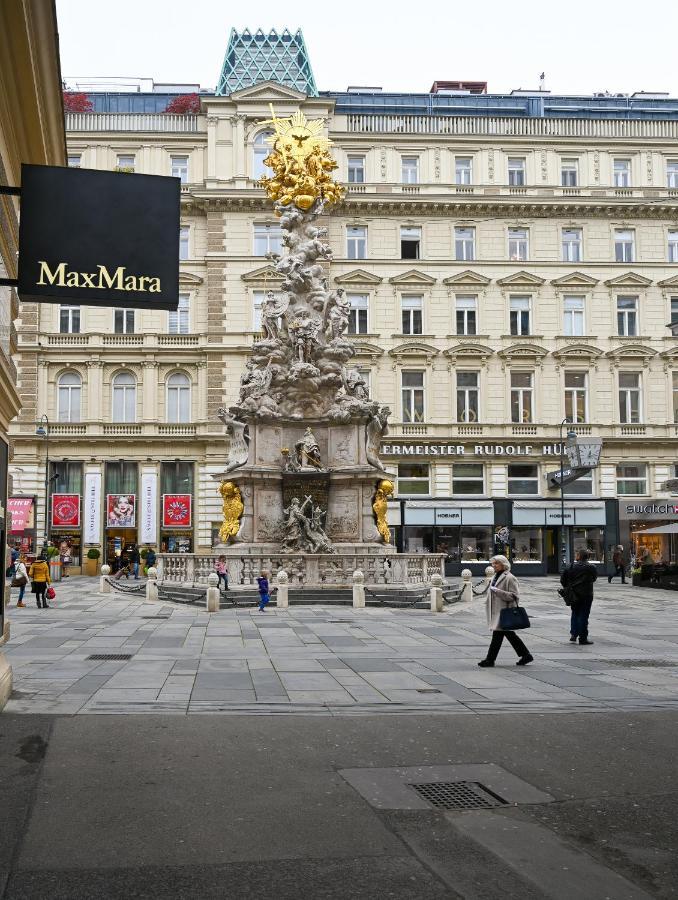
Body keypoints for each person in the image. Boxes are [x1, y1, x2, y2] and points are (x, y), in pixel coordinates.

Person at [478, 555, 533, 667]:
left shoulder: (510, 577)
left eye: (496, 563)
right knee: (507, 635)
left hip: (504, 611)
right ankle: (526, 655)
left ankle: (490, 660)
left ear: (503, 564)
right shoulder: (495, 576)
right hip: (497, 610)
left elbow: (514, 596)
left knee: (499, 635)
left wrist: (498, 591)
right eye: (493, 563)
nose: (494, 565)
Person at [561, 548, 598, 645]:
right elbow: (594, 578)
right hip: (587, 594)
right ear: (587, 557)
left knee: (575, 613)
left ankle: (574, 634)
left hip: (574, 594)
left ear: (578, 556)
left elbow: (563, 580)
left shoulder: (570, 566)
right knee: (584, 615)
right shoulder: (591, 567)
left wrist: (568, 587)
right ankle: (583, 637)